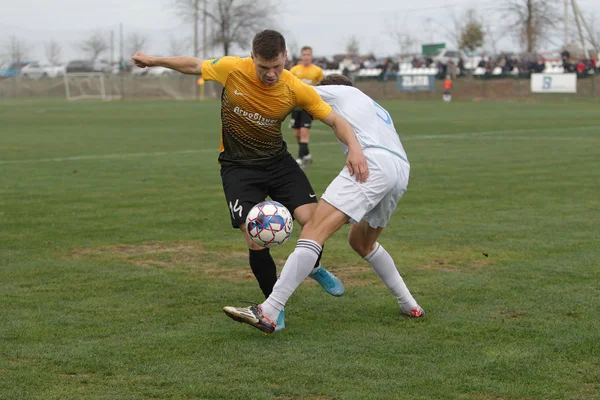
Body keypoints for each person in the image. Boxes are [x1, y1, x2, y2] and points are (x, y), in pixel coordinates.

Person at [132, 30, 369, 331]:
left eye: (277, 67)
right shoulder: (233, 69)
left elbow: (335, 119)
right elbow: (194, 65)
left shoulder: (294, 88)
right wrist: (153, 60)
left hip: (278, 163)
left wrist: (356, 148)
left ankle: (315, 266)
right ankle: (273, 304)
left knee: (314, 221)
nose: (271, 74)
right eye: (263, 67)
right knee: (255, 238)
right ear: (252, 58)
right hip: (238, 168)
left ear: (286, 58)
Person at [223, 74, 424, 334]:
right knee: (361, 242)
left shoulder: (339, 92)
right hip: (400, 169)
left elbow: (296, 91)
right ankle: (409, 304)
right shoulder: (373, 104)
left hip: (370, 163)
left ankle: (269, 311)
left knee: (313, 229)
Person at [289, 46, 324, 167]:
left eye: (308, 54)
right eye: (304, 55)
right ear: (301, 56)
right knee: (297, 134)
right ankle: (307, 155)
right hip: (296, 107)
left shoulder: (317, 71)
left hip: (308, 107)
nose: (306, 57)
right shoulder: (294, 70)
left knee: (304, 132)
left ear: (311, 56)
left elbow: (322, 86)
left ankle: (299, 159)